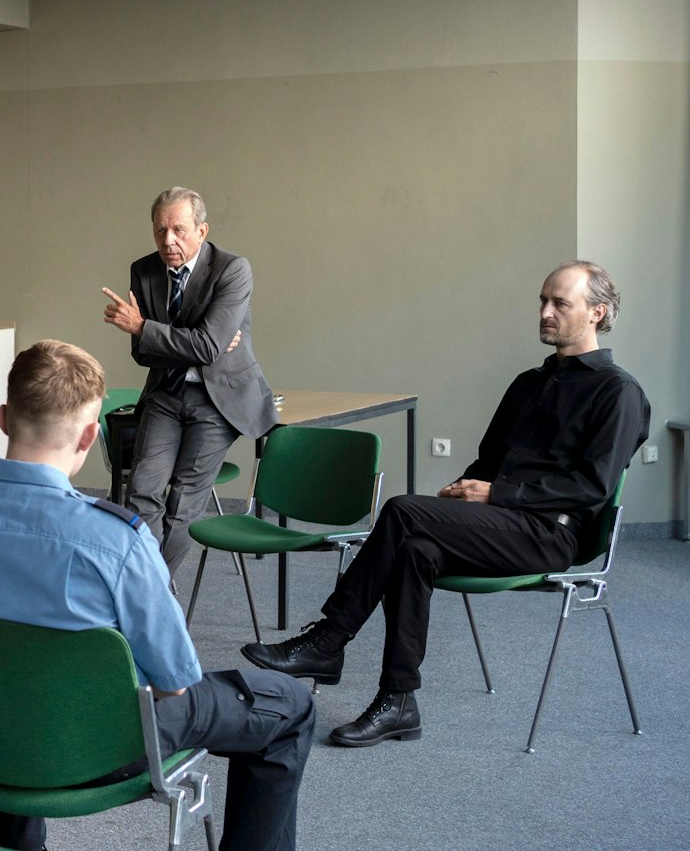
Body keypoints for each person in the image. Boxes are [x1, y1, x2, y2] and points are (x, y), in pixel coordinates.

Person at [0, 340, 314, 851]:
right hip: (98, 750)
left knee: (5, 669)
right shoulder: (115, 541)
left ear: (4, 418)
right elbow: (175, 685)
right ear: (91, 436)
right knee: (288, 705)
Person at [244, 261, 650, 747]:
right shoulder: (528, 383)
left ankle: (328, 642)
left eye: (560, 303)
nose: (545, 312)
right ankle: (398, 702)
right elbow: (488, 461)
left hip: (550, 535)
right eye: (543, 300)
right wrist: (463, 491)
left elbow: (593, 486)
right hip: (496, 522)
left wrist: (495, 494)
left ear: (596, 312)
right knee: (416, 549)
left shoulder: (618, 392)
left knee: (401, 509)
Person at [101, 187, 276, 579]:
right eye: (160, 231)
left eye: (179, 230)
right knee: (142, 492)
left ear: (201, 230)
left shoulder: (232, 269)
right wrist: (191, 342)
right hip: (166, 393)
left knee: (183, 501)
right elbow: (144, 353)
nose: (168, 241)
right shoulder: (144, 270)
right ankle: (144, 585)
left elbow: (208, 347)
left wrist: (147, 328)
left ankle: (150, 592)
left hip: (218, 400)